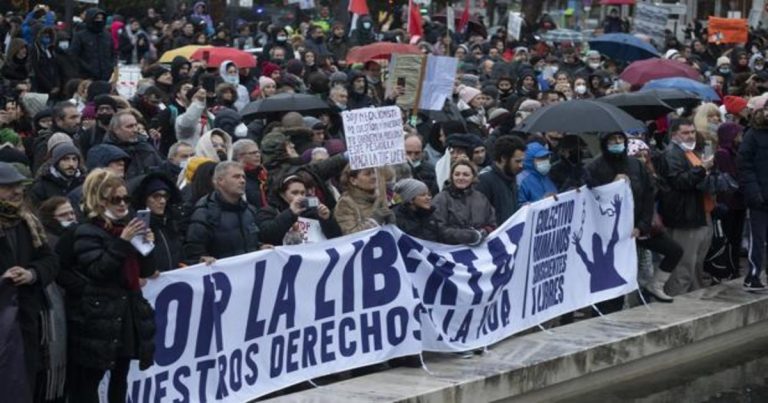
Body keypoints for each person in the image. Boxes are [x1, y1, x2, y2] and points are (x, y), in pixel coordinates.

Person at [68, 169, 157, 403]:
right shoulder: (88, 230)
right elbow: (98, 270)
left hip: (127, 312)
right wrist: (123, 243)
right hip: (99, 316)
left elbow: (147, 271)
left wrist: (147, 245)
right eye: (115, 199)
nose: (122, 204)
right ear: (99, 200)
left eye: (125, 198)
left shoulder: (129, 227)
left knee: (121, 376)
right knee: (91, 381)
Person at [586, 133, 681, 304]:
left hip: (636, 228)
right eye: (612, 140)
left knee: (674, 250)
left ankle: (655, 286)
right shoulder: (594, 167)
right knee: (615, 280)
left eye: (620, 139)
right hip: (611, 234)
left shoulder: (635, 164)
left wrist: (642, 226)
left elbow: (647, 195)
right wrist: (612, 184)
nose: (617, 142)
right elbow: (591, 197)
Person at [0, 162, 59, 401]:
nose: (16, 191)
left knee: (24, 383)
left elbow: (50, 260)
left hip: (25, 320)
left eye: (18, 186)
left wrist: (32, 274)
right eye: (8, 186)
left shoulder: (28, 222)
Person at [657, 118, 715, 295]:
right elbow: (680, 181)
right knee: (684, 266)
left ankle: (695, 298)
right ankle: (678, 302)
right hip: (686, 217)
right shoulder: (671, 154)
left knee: (697, 262)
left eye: (692, 132)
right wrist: (702, 169)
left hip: (702, 213)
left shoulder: (692, 152)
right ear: (674, 135)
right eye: (685, 133)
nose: (690, 136)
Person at [184, 162, 266, 265]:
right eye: (236, 177)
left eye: (243, 177)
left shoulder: (249, 210)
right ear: (220, 181)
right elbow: (194, 251)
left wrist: (260, 247)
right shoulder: (205, 212)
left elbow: (249, 240)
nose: (242, 181)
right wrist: (200, 260)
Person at [257, 174, 341, 245]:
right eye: (294, 193)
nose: (300, 197)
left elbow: (336, 238)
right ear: (282, 194)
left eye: (303, 193)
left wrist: (327, 219)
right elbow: (266, 236)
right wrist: (290, 213)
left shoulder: (313, 211)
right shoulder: (268, 212)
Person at [432, 160, 497, 245]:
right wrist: (468, 236)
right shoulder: (441, 198)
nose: (461, 178)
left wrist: (483, 232)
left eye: (466, 175)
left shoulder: (481, 198)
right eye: (457, 174)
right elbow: (438, 228)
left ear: (473, 177)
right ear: (451, 176)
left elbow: (492, 224)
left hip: (479, 252)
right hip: (450, 251)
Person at [738, 109, 768, 291]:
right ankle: (753, 275)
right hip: (760, 196)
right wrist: (754, 192)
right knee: (758, 238)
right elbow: (744, 166)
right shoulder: (753, 135)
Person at [129, 172, 183, 272]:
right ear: (145, 199)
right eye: (156, 196)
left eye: (165, 196)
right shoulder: (136, 227)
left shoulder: (172, 222)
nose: (162, 201)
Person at [476, 136, 526, 225]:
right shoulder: (484, 180)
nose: (521, 165)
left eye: (522, 161)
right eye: (517, 161)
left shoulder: (511, 176)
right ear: (504, 158)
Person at [104, 110, 163, 180]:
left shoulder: (147, 148)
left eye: (135, 125)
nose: (135, 130)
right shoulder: (107, 153)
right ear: (116, 129)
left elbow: (162, 170)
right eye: (130, 126)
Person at [334, 166, 394, 235]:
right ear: (353, 181)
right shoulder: (345, 203)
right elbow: (350, 235)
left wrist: (391, 224)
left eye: (374, 172)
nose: (374, 177)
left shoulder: (380, 197)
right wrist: (374, 221)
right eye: (367, 174)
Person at [69, 8, 115, 81]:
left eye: (101, 18)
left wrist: (110, 67)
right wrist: (85, 68)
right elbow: (73, 55)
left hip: (105, 76)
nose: (99, 21)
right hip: (86, 76)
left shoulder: (107, 36)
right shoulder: (80, 36)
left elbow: (113, 53)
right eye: (97, 18)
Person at [232, 139, 268, 208]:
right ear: (240, 156)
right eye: (253, 153)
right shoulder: (236, 178)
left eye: (258, 152)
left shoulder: (264, 174)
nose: (257, 155)